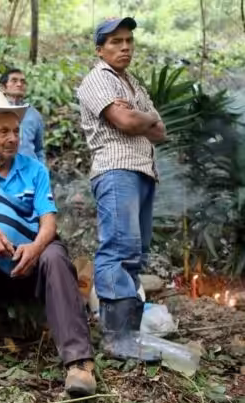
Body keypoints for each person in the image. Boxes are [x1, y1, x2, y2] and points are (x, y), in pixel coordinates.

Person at [0, 91, 96, 397]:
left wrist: (35, 248)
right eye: (4, 131)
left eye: (15, 131)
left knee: (55, 255)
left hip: (33, 261)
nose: (13, 138)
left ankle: (79, 362)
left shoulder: (35, 170)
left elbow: (49, 223)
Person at [76, 17, 166, 360]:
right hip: (116, 170)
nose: (125, 46)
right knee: (119, 247)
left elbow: (161, 131)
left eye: (128, 40)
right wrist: (143, 118)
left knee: (136, 251)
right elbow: (128, 122)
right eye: (115, 41)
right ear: (100, 49)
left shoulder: (133, 85)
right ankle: (116, 338)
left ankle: (127, 335)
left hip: (143, 172)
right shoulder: (97, 79)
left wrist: (140, 118)